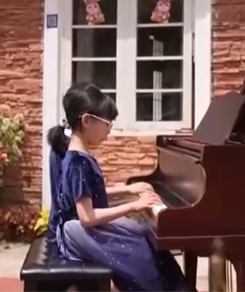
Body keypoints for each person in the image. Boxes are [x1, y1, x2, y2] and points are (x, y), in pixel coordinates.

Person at [46, 82, 192, 292]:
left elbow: (89, 195)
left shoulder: (80, 156)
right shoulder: (78, 162)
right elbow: (87, 217)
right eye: (107, 123)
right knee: (139, 249)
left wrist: (129, 191)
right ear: (87, 121)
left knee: (144, 233)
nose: (110, 130)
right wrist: (133, 206)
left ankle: (178, 287)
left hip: (82, 226)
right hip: (77, 232)